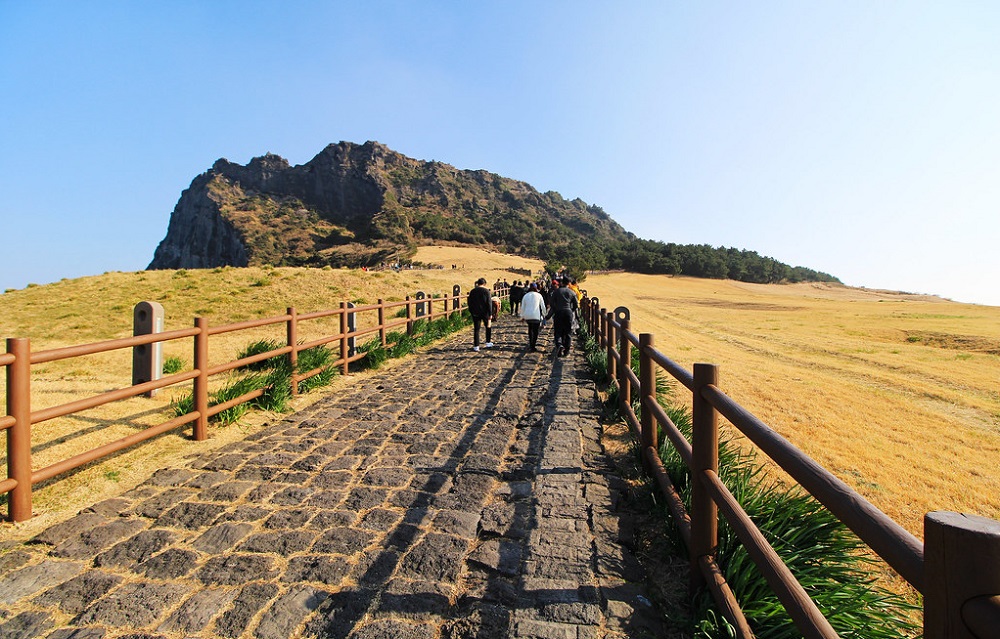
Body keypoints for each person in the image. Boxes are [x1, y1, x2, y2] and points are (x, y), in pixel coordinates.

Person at [545, 277, 578, 357]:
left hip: (559, 312)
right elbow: (576, 304)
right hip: (568, 312)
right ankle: (567, 350)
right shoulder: (572, 292)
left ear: (562, 283)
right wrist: (571, 310)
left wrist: (556, 309)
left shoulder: (556, 292)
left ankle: (559, 345)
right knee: (568, 332)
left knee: (558, 330)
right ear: (568, 283)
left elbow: (552, 302)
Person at [467, 277, 494, 352]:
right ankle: (488, 342)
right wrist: (490, 313)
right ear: (484, 283)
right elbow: (489, 303)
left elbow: (469, 302)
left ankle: (476, 346)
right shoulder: (486, 291)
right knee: (488, 327)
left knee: (476, 329)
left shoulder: (472, 291)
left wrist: (471, 311)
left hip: (475, 312)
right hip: (485, 313)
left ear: (477, 283)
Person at [519, 283, 547, 351]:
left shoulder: (526, 295)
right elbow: (542, 306)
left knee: (530, 329)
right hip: (536, 315)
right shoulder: (539, 295)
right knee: (535, 331)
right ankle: (533, 345)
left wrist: (522, 316)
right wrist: (544, 314)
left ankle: (531, 344)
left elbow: (522, 307)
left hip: (527, 315)